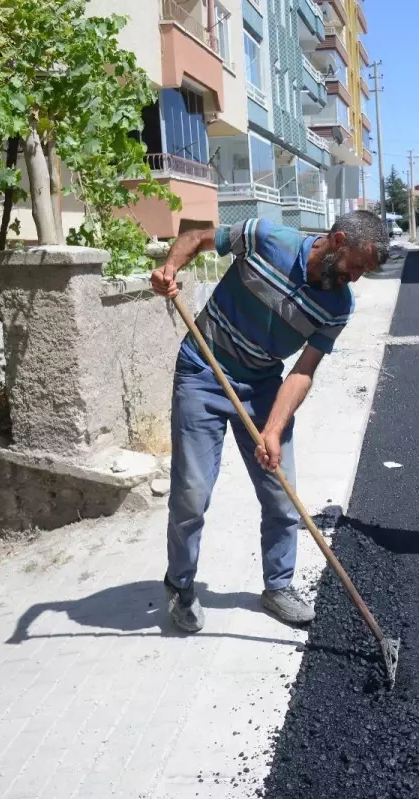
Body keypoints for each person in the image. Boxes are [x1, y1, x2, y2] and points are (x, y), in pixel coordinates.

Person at [150, 211, 389, 632]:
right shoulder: (265, 237)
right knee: (192, 492)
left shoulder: (338, 306)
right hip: (202, 370)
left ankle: (278, 587)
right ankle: (180, 585)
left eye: (363, 273)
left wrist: (273, 429)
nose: (355, 279)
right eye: (355, 266)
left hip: (262, 387)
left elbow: (302, 371)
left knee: (282, 496)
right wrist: (170, 268)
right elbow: (197, 238)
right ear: (336, 241)